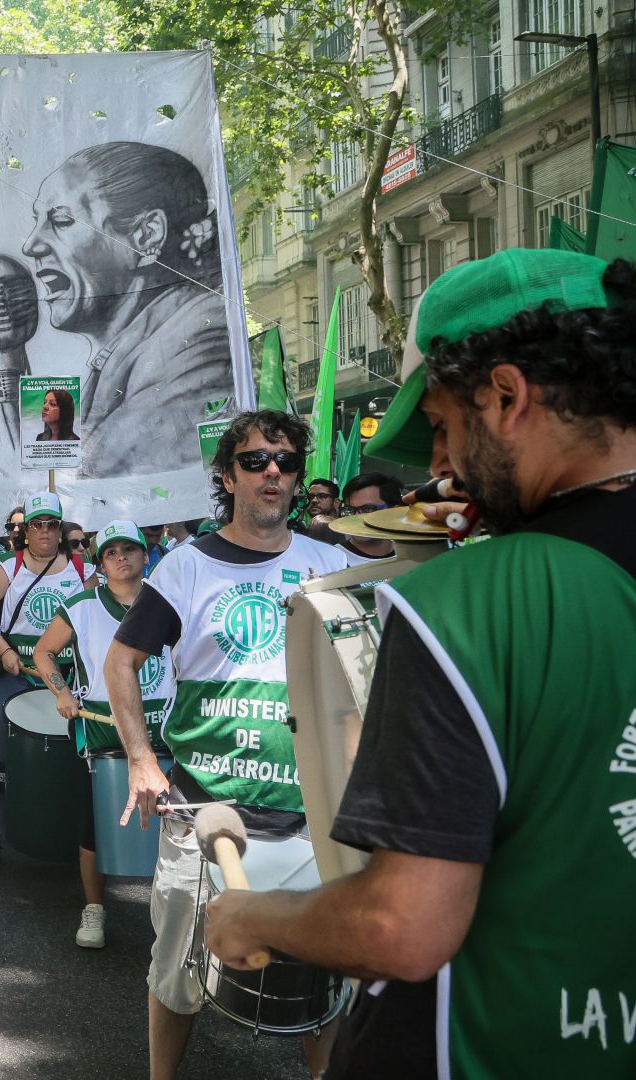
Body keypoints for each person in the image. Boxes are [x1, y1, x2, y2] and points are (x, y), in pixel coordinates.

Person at [203, 251, 636, 1077]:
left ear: (505, 396)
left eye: (441, 426)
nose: (439, 467)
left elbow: (399, 927)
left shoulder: (468, 600)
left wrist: (254, 916)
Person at [103, 409, 348, 1080]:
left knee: (320, 989)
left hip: (309, 819)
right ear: (228, 476)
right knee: (175, 977)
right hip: (202, 812)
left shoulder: (331, 564)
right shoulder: (185, 567)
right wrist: (141, 759)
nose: (272, 472)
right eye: (255, 460)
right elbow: (121, 661)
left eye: (286, 462)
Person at [20, 141, 238, 478]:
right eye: (37, 222)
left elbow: (119, 475)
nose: (31, 245)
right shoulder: (134, 349)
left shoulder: (198, 337)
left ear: (146, 234)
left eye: (61, 220)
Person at [30, 520, 172, 949]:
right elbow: (43, 651)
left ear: (145, 555)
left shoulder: (170, 602)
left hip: (164, 731)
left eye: (129, 549)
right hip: (102, 734)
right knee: (94, 828)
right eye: (111, 552)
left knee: (173, 827)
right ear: (101, 563)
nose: (121, 557)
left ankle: (172, 914)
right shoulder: (81, 606)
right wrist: (62, 691)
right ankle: (94, 907)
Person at [0, 490, 88, 869]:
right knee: (4, 759)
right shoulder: (8, 566)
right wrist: (4, 651)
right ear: (25, 530)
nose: (45, 531)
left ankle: (63, 834)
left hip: (65, 679)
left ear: (60, 528)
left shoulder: (82, 569)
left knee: (69, 759)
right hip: (13, 678)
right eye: (37, 524)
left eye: (52, 524)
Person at [311, 472, 402, 563]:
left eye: (368, 509)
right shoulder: (331, 560)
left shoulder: (408, 558)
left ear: (393, 512)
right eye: (349, 509)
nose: (356, 517)